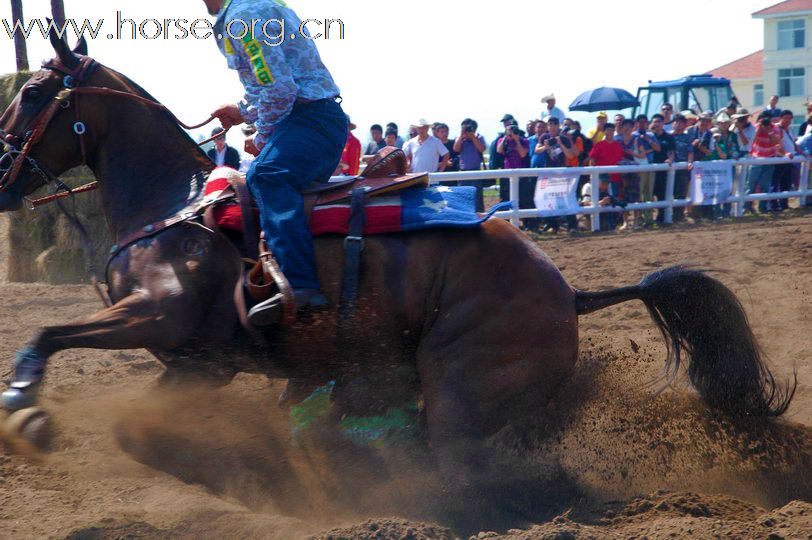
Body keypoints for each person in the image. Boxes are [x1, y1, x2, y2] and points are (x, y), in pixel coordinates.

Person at [207, 0, 346, 325]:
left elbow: (280, 90)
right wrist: (244, 111)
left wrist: (262, 137)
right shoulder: (250, 8)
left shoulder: (244, 15)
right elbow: (274, 84)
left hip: (310, 119)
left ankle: (301, 285)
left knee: (268, 174)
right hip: (313, 117)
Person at [588, 123, 625, 229]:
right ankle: (602, 224)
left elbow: (621, 160)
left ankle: (613, 223)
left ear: (614, 131)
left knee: (614, 200)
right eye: (607, 130)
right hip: (602, 180)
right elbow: (592, 160)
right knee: (602, 201)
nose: (609, 132)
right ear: (604, 132)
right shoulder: (599, 145)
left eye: (611, 130)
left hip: (615, 178)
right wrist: (593, 177)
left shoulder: (618, 145)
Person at [747, 113, 781, 213]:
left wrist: (769, 131)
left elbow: (776, 142)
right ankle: (748, 206)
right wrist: (759, 128)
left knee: (765, 185)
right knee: (751, 184)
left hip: (769, 158)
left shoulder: (775, 128)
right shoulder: (756, 127)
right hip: (756, 158)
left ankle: (763, 207)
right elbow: (753, 139)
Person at [453, 118, 488, 211]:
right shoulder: (460, 138)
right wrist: (461, 135)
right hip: (463, 172)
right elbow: (456, 149)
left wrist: (473, 137)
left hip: (475, 172)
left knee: (477, 198)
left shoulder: (479, 138)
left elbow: (481, 149)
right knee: (462, 197)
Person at [649, 114, 675, 224]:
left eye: (659, 121)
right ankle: (648, 219)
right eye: (655, 121)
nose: (657, 124)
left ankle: (662, 218)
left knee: (662, 194)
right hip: (650, 170)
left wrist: (670, 159)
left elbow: (671, 152)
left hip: (663, 171)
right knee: (649, 194)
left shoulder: (669, 137)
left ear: (663, 123)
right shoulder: (649, 135)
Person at [773, 110, 801, 210]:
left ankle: (784, 204)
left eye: (790, 118)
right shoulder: (777, 128)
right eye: (786, 118)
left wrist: (802, 152)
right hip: (780, 159)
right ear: (781, 118)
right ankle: (774, 205)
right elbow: (777, 143)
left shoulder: (788, 129)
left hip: (789, 159)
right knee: (776, 183)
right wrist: (785, 153)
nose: (788, 120)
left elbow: (793, 143)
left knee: (786, 183)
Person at [670, 114, 695, 221]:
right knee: (667, 192)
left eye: (680, 122)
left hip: (682, 169)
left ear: (685, 125)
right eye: (676, 122)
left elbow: (690, 152)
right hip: (669, 169)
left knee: (681, 193)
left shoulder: (686, 138)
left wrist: (689, 163)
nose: (678, 124)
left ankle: (678, 216)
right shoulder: (668, 136)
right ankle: (665, 216)